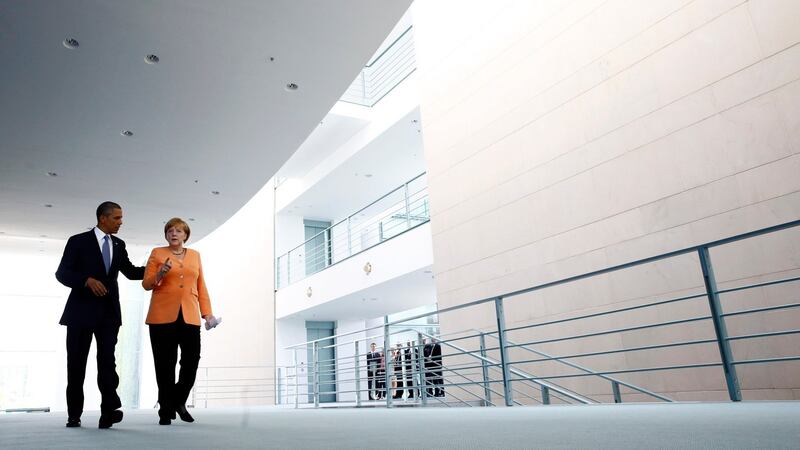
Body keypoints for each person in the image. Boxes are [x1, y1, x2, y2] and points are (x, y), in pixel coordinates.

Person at [56, 201, 145, 429]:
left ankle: (109, 411)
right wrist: (86, 280)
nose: (121, 222)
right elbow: (62, 273)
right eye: (117, 218)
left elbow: (132, 272)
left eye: (121, 218)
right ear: (102, 218)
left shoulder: (119, 243)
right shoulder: (77, 241)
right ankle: (74, 414)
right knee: (76, 365)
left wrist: (158, 271)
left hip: (108, 313)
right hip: (80, 313)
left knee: (107, 362)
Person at [142, 217, 219, 425]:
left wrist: (208, 314)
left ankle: (177, 400)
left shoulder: (195, 255)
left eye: (178, 231)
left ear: (185, 235)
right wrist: (160, 272)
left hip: (190, 316)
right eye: (169, 231)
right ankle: (166, 411)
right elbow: (146, 284)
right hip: (161, 317)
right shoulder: (158, 253)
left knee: (191, 362)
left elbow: (201, 286)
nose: (173, 234)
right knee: (165, 365)